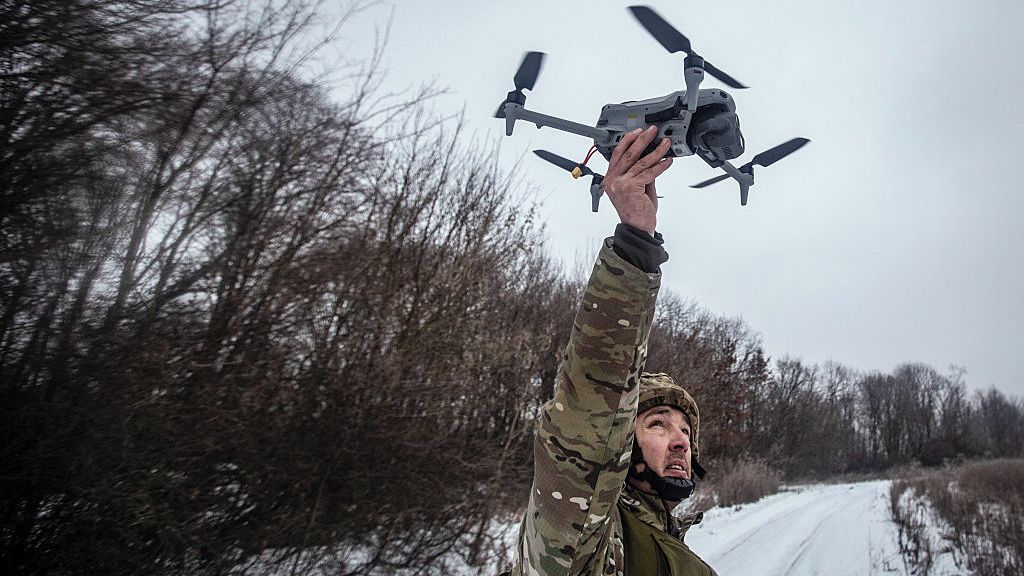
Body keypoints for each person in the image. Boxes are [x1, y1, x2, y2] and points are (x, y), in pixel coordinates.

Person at [507, 126, 717, 576]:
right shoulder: (590, 542)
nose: (681, 440)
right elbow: (590, 422)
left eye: (684, 429)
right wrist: (635, 245)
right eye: (657, 424)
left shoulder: (663, 539)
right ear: (624, 444)